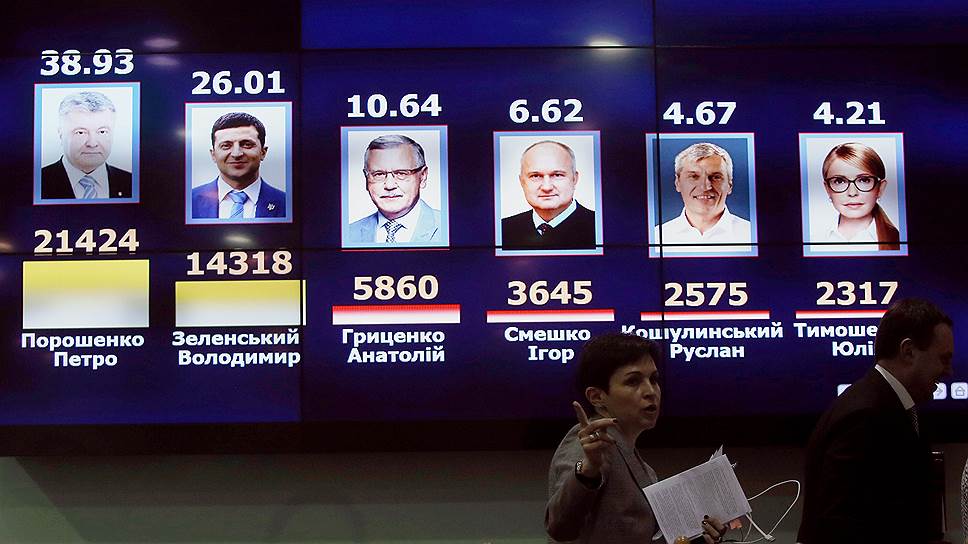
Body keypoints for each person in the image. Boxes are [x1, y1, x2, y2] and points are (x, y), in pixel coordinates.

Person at [545, 332, 728, 544]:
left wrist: (696, 538)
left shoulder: (644, 469)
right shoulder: (589, 444)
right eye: (633, 381)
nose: (651, 391)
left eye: (654, 379)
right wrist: (587, 471)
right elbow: (560, 528)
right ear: (597, 397)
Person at [798, 298, 954, 544]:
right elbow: (839, 527)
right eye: (943, 359)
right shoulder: (865, 416)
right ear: (908, 351)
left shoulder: (892, 407)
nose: (949, 371)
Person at [655, 142, 751, 251]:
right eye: (694, 176)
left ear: (729, 185)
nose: (705, 187)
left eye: (716, 177)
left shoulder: (751, 234)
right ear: (678, 183)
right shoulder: (657, 237)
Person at [501, 140, 596, 250]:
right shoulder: (502, 230)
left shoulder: (601, 227)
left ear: (574, 179)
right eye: (535, 176)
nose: (547, 187)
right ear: (522, 181)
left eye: (557, 175)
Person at [347, 135, 442, 244]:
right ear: (366, 178)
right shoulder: (348, 233)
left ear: (423, 176)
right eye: (379, 174)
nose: (389, 185)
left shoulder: (448, 226)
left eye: (401, 173)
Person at [191, 112, 286, 219]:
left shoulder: (288, 203)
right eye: (226, 145)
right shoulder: (187, 202)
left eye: (247, 144)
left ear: (263, 152)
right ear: (213, 154)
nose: (236, 154)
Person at [41, 90, 132, 200]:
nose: (92, 143)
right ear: (61, 134)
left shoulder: (132, 182)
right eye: (80, 132)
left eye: (102, 132)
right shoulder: (37, 182)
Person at [817, 142, 900, 251]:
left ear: (880, 188)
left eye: (864, 180)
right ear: (827, 189)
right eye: (839, 181)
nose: (852, 193)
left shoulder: (899, 241)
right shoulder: (814, 239)